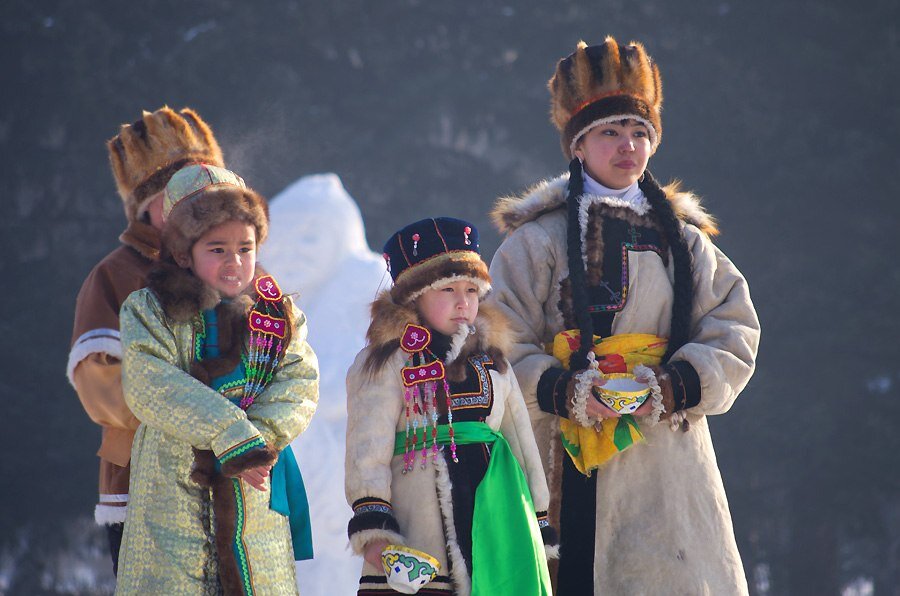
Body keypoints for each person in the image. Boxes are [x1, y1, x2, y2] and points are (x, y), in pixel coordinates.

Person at [488, 37, 761, 594]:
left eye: (639, 133)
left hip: (667, 456)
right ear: (579, 145)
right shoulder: (537, 241)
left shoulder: (685, 244)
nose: (627, 146)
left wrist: (673, 384)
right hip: (563, 448)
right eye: (610, 133)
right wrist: (565, 389)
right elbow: (498, 338)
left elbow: (735, 331)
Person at [116, 164, 319, 595]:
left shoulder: (277, 315)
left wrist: (257, 446)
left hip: (256, 491)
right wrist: (233, 436)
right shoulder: (149, 311)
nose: (235, 262)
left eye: (245, 248)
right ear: (183, 252)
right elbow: (151, 384)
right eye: (218, 249)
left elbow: (298, 383)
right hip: (174, 487)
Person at [344, 217, 556, 595]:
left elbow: (521, 442)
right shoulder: (386, 362)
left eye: (473, 290)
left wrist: (537, 519)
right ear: (414, 297)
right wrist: (373, 523)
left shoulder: (493, 363)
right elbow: (367, 448)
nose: (463, 302)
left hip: (498, 516)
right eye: (447, 290)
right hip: (418, 529)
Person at [66, 106, 224, 575]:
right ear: (148, 205)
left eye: (207, 188)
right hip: (143, 485)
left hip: (232, 481)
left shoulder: (234, 265)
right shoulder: (115, 276)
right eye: (181, 191)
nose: (198, 201)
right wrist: (190, 415)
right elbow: (100, 385)